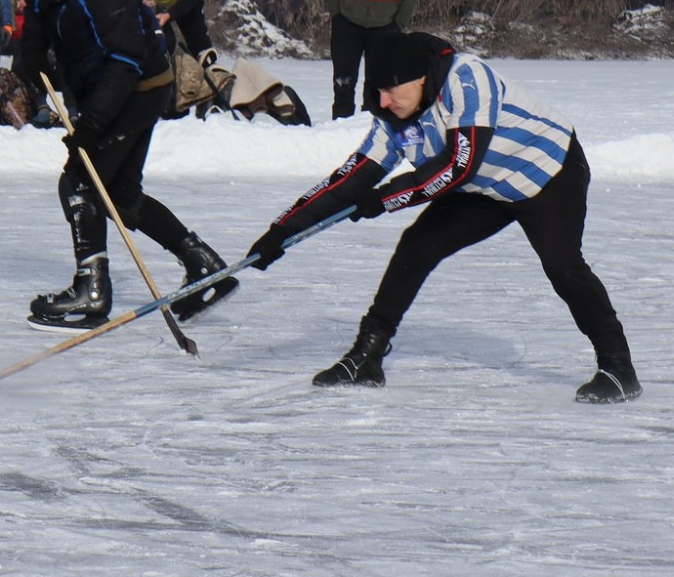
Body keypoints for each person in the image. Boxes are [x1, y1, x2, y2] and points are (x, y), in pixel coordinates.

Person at [245, 31, 639, 403]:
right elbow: (349, 180)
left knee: (562, 266)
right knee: (417, 246)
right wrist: (281, 231)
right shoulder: (392, 116)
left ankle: (618, 367)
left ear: (420, 79)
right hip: (484, 188)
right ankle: (366, 356)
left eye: (391, 90)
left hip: (548, 172)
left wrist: (384, 199)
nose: (384, 102)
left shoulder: (468, 79)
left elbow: (458, 165)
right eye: (378, 91)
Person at [14, 0, 236, 329]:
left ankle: (92, 290)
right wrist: (32, 54)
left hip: (137, 87)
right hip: (106, 83)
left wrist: (93, 124)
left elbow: (125, 60)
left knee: (79, 180)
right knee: (120, 194)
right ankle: (203, 263)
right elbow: (38, 9)